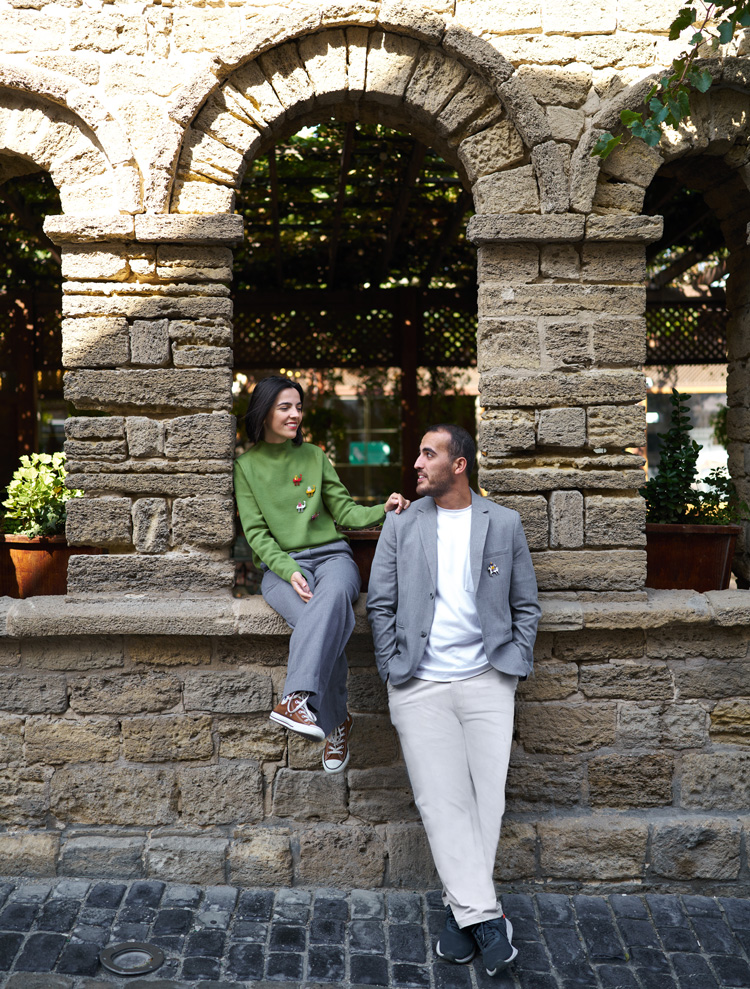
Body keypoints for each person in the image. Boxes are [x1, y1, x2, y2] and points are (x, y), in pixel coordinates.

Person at [367, 424, 540, 976]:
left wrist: (513, 663)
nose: (417, 463)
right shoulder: (402, 522)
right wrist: (392, 668)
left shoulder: (503, 523)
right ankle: (488, 921)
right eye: (419, 453)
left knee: (487, 805)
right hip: (419, 682)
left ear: (459, 465)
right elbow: (380, 604)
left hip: (489, 678)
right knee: (441, 802)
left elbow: (526, 605)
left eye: (429, 454)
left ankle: (458, 914)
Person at [234, 375, 409, 774]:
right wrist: (289, 569)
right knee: (326, 621)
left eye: (298, 407)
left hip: (333, 559)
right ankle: (337, 722)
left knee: (330, 603)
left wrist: (381, 509)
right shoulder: (245, 467)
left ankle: (295, 699)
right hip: (281, 568)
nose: (295, 414)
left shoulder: (314, 456)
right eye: (285, 407)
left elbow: (345, 511)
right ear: (264, 412)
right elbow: (256, 533)